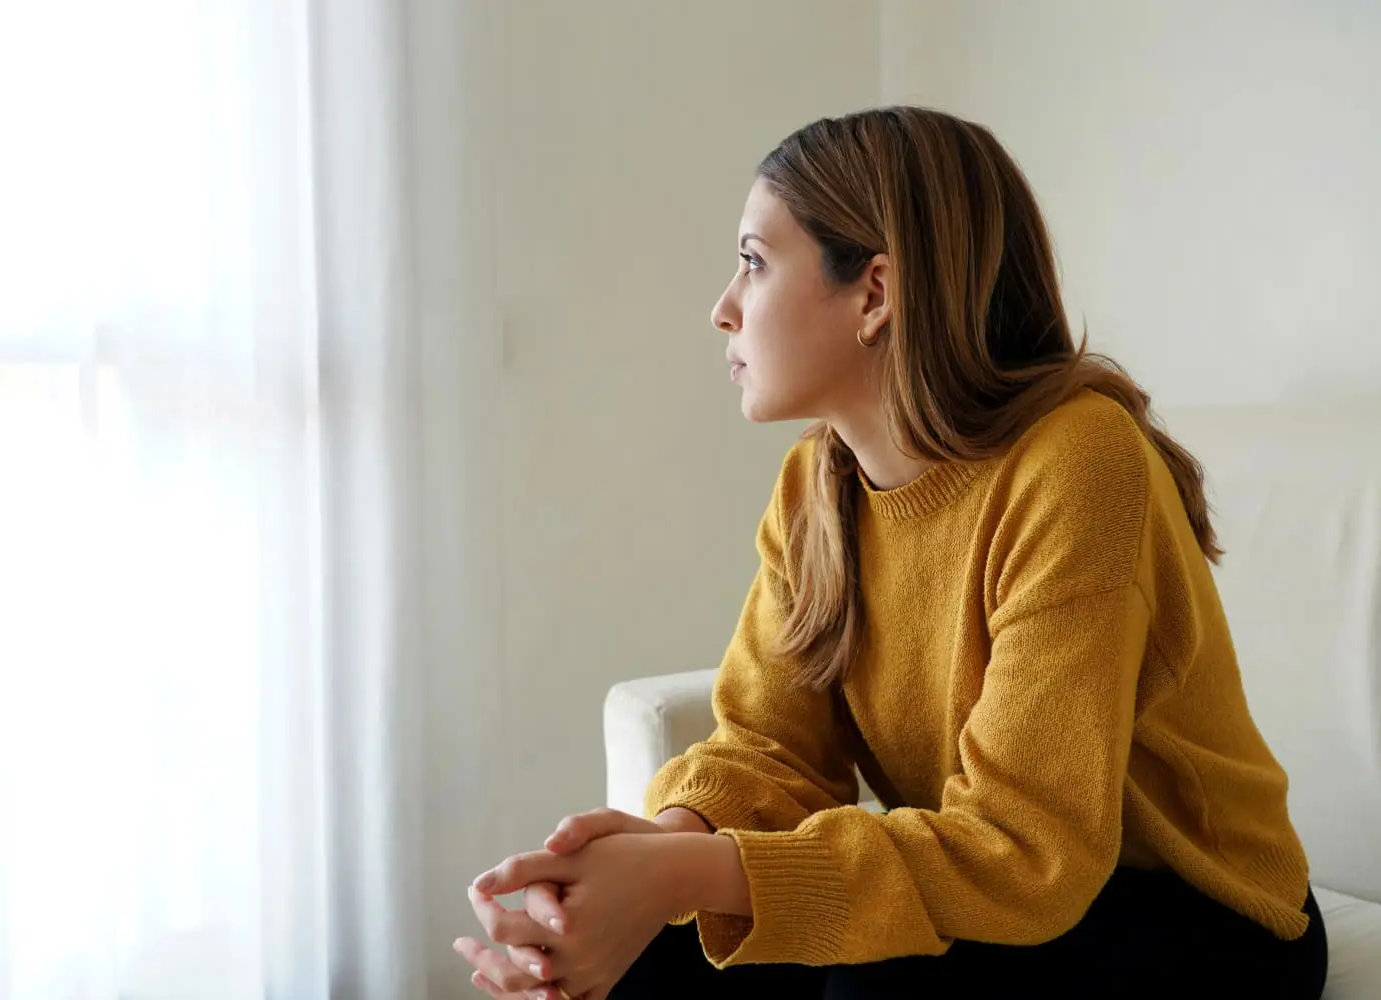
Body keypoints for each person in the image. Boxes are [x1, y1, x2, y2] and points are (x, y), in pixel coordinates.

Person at [452, 106, 1329, 999]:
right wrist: (660, 851)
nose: (722, 309)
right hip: (1010, 885)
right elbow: (772, 749)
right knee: (659, 955)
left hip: (1199, 912)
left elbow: (1030, 850)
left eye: (754, 263)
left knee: (876, 984)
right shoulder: (815, 486)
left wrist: (690, 873)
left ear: (875, 293)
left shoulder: (1078, 463)